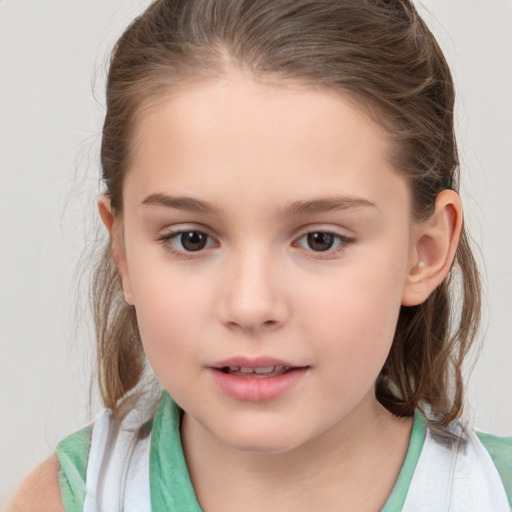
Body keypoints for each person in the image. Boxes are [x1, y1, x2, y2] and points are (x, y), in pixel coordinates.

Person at [8, 0, 512, 510]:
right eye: (192, 239)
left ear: (423, 253)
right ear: (123, 251)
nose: (250, 306)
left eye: (321, 239)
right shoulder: (66, 498)